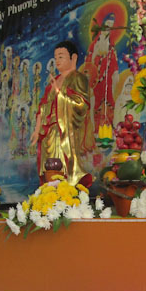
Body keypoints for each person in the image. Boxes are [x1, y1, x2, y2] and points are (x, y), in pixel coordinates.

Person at [31, 41, 95, 187]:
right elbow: (42, 107)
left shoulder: (77, 78)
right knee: (49, 166)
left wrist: (59, 94)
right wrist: (37, 130)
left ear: (74, 58)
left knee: (63, 166)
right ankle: (50, 193)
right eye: (55, 58)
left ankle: (66, 191)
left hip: (65, 131)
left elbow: (81, 105)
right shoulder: (53, 82)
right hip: (48, 131)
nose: (57, 61)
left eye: (61, 57)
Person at [84, 13, 119, 134]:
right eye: (106, 25)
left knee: (109, 100)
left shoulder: (111, 46)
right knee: (94, 102)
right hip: (95, 79)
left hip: (107, 79)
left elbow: (113, 62)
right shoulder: (94, 44)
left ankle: (108, 129)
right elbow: (88, 62)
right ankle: (94, 129)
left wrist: (115, 73)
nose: (107, 29)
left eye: (110, 27)